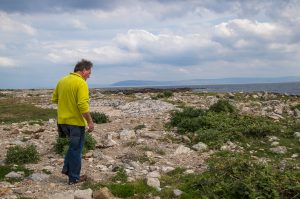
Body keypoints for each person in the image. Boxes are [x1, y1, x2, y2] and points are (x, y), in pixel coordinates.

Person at [52, 59, 94, 185]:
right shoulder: (81, 83)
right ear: (83, 70)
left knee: (72, 147)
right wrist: (90, 122)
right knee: (76, 149)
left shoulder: (62, 80)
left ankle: (67, 169)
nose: (90, 75)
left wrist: (67, 104)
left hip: (62, 122)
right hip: (75, 123)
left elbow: (55, 99)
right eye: (89, 72)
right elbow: (82, 105)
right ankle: (74, 178)